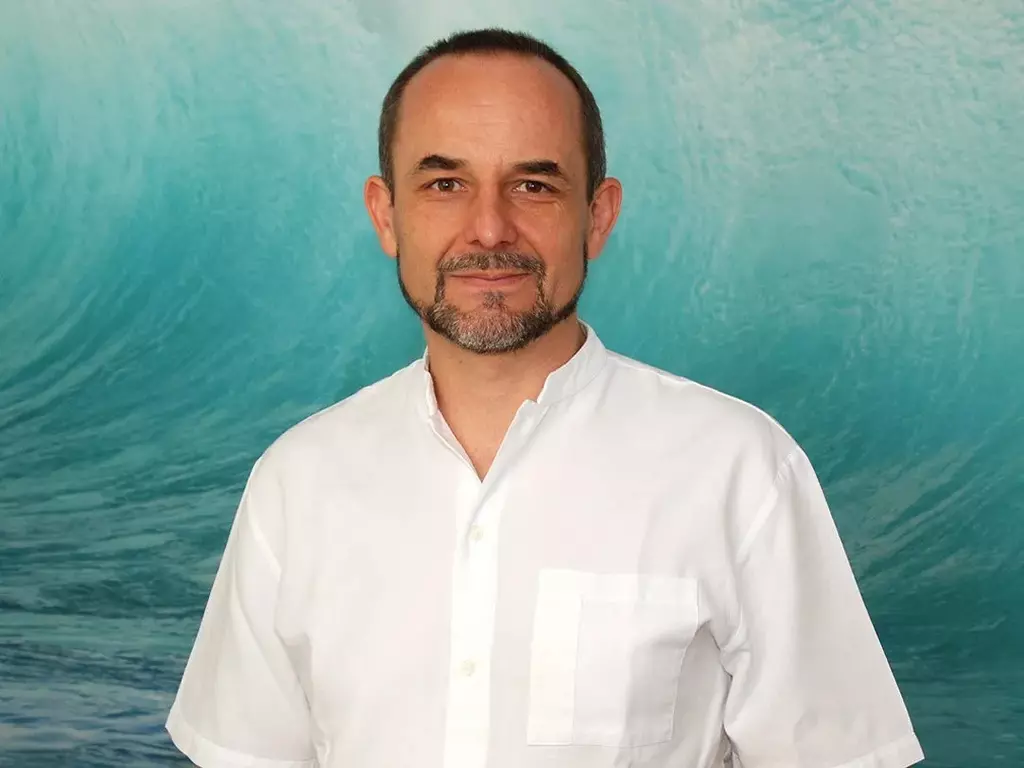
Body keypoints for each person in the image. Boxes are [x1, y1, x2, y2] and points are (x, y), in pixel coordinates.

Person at [165, 27, 925, 768]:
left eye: (533, 185)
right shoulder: (297, 482)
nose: (489, 229)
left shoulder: (738, 470)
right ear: (386, 215)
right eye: (445, 184)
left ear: (598, 215)